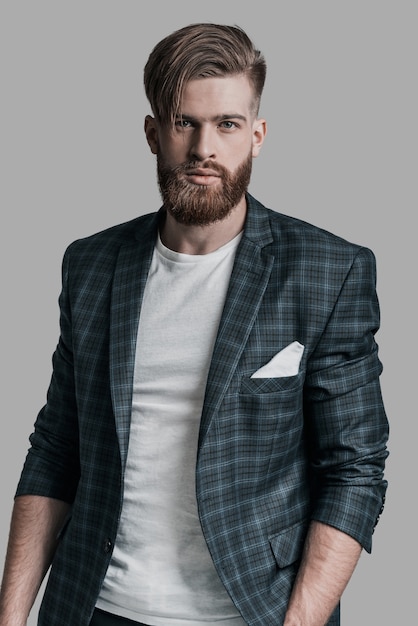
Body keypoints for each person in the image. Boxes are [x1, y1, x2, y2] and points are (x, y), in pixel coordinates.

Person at [0, 23, 389, 626]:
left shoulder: (328, 271)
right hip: (94, 607)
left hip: (251, 612)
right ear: (154, 134)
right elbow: (56, 447)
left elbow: (354, 470)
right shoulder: (91, 264)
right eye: (185, 123)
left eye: (227, 124)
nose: (205, 147)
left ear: (256, 136)